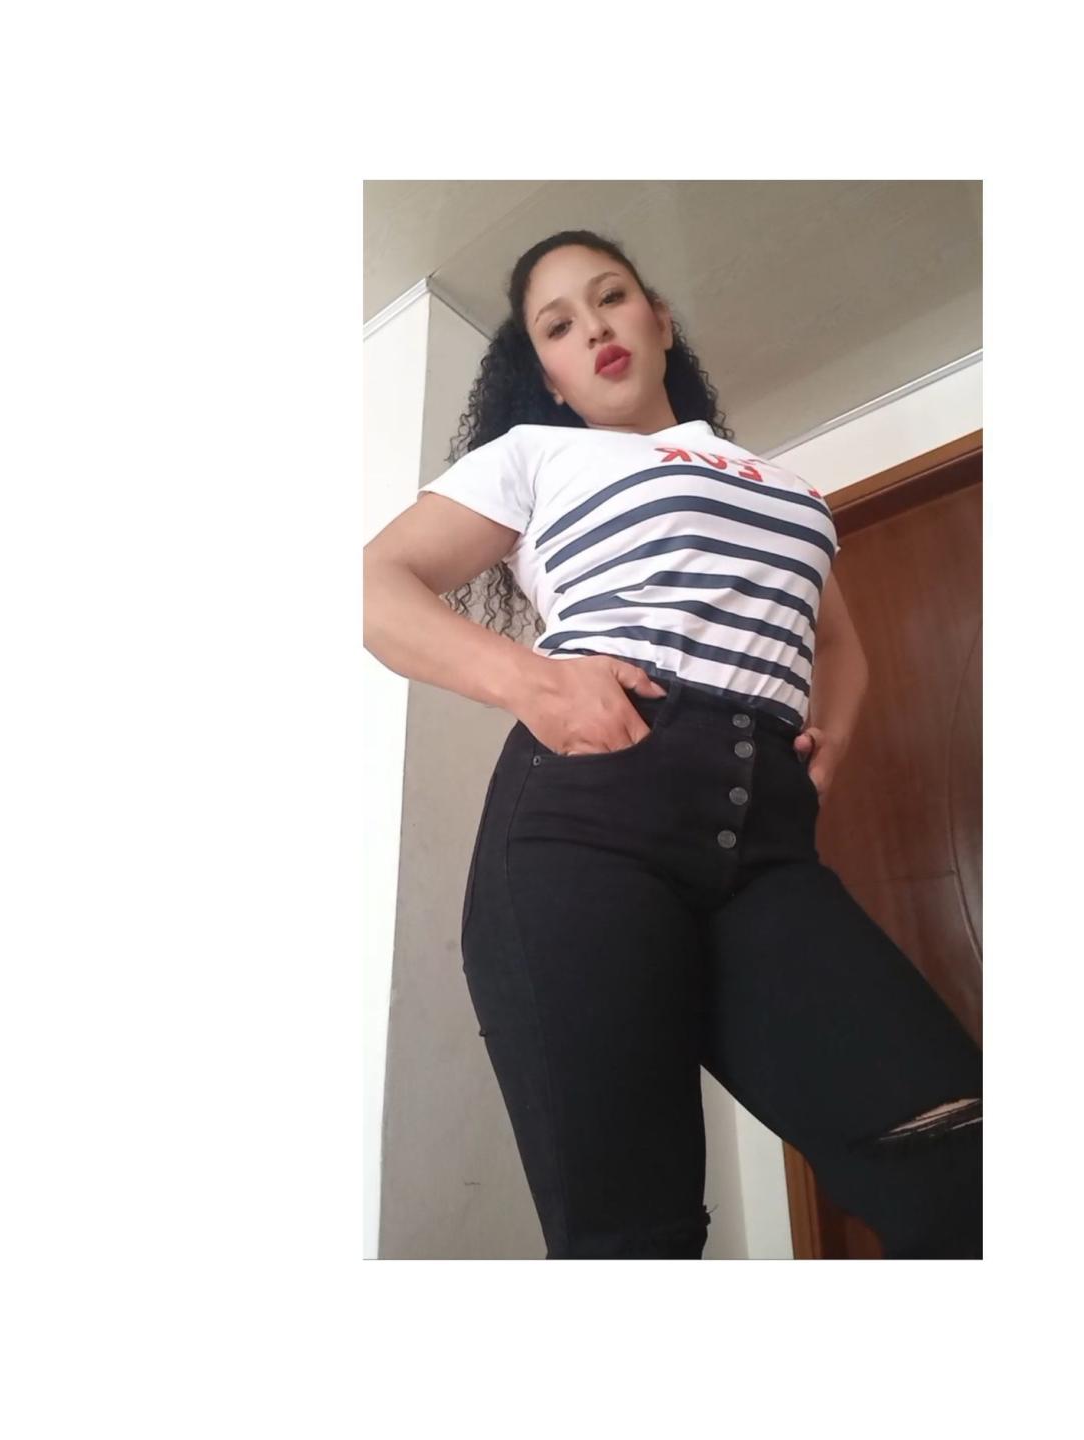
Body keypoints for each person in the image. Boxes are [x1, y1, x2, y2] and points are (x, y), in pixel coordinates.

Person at [364, 229, 983, 1258]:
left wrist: (826, 749)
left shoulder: (784, 487)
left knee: (963, 1171)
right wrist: (535, 683)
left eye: (611, 298)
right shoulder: (534, 457)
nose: (593, 327)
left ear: (657, 319)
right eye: (558, 324)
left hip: (768, 847)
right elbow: (376, 585)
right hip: (586, 823)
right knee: (636, 1239)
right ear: (548, 375)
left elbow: (838, 644)